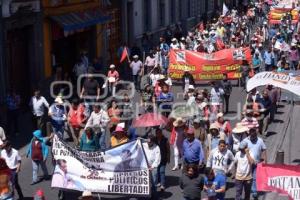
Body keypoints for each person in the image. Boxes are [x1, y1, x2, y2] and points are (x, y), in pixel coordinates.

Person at [242, 128, 267, 199]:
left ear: (256, 135)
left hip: (257, 163)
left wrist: (265, 160)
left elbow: (264, 149)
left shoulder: (260, 140)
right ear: (249, 135)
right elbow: (241, 149)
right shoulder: (246, 141)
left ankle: (254, 191)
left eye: (254, 137)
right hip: (247, 163)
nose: (253, 138)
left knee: (255, 177)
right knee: (247, 177)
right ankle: (247, 190)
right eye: (251, 137)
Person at [142, 135, 161, 199]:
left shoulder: (156, 147)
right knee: (144, 182)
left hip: (152, 168)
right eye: (147, 141)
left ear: (153, 142)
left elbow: (157, 159)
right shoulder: (143, 145)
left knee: (154, 183)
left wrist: (152, 166)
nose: (148, 143)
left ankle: (154, 196)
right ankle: (145, 195)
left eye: (150, 142)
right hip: (144, 167)